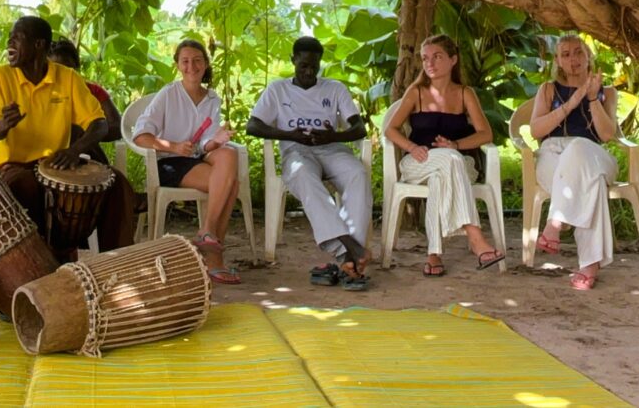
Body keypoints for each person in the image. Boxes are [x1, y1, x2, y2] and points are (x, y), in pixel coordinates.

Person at [0, 16, 137, 259]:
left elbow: (100, 123)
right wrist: (4, 124)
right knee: (24, 187)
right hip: (14, 167)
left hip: (57, 164)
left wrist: (75, 151)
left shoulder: (68, 78)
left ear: (39, 45)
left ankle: (113, 263)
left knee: (118, 186)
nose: (10, 41)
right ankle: (33, 262)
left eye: (18, 37)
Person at [246, 36, 371, 290]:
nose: (309, 71)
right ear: (293, 61)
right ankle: (349, 248)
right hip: (297, 150)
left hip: (331, 148)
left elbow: (359, 128)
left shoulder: (334, 88)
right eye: (303, 65)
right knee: (303, 175)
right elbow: (253, 126)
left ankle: (349, 260)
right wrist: (289, 135)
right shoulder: (277, 89)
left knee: (358, 173)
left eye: (314, 66)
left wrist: (333, 136)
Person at [383, 34, 505, 277]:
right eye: (425, 58)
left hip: (460, 163)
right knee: (448, 161)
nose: (430, 63)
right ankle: (475, 238)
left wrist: (456, 145)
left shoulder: (465, 93)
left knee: (446, 169)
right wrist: (411, 147)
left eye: (437, 57)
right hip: (419, 161)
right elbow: (390, 129)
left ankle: (434, 253)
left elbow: (485, 134)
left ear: (453, 60)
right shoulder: (416, 92)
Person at [131, 39, 243, 285]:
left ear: (205, 64)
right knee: (231, 186)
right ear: (178, 66)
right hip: (169, 163)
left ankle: (207, 233)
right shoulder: (168, 94)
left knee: (229, 154)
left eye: (197, 60)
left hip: (196, 158)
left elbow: (204, 144)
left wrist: (218, 140)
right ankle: (214, 259)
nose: (191, 66)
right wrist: (172, 145)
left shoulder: (212, 99)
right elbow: (140, 136)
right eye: (185, 61)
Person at [528, 34, 618, 291]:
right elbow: (536, 131)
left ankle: (555, 222)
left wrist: (591, 99)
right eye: (565, 54)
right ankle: (590, 265)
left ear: (588, 55)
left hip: (593, 155)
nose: (573, 59)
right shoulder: (547, 90)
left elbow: (607, 135)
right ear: (557, 60)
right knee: (594, 185)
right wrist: (572, 103)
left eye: (578, 52)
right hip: (552, 155)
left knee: (579, 147)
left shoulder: (606, 92)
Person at [48, 39, 123, 163]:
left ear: (76, 68)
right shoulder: (40, 93)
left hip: (87, 153)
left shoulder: (93, 91)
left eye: (67, 69)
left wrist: (85, 135)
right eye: (57, 70)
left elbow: (116, 127)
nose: (64, 74)